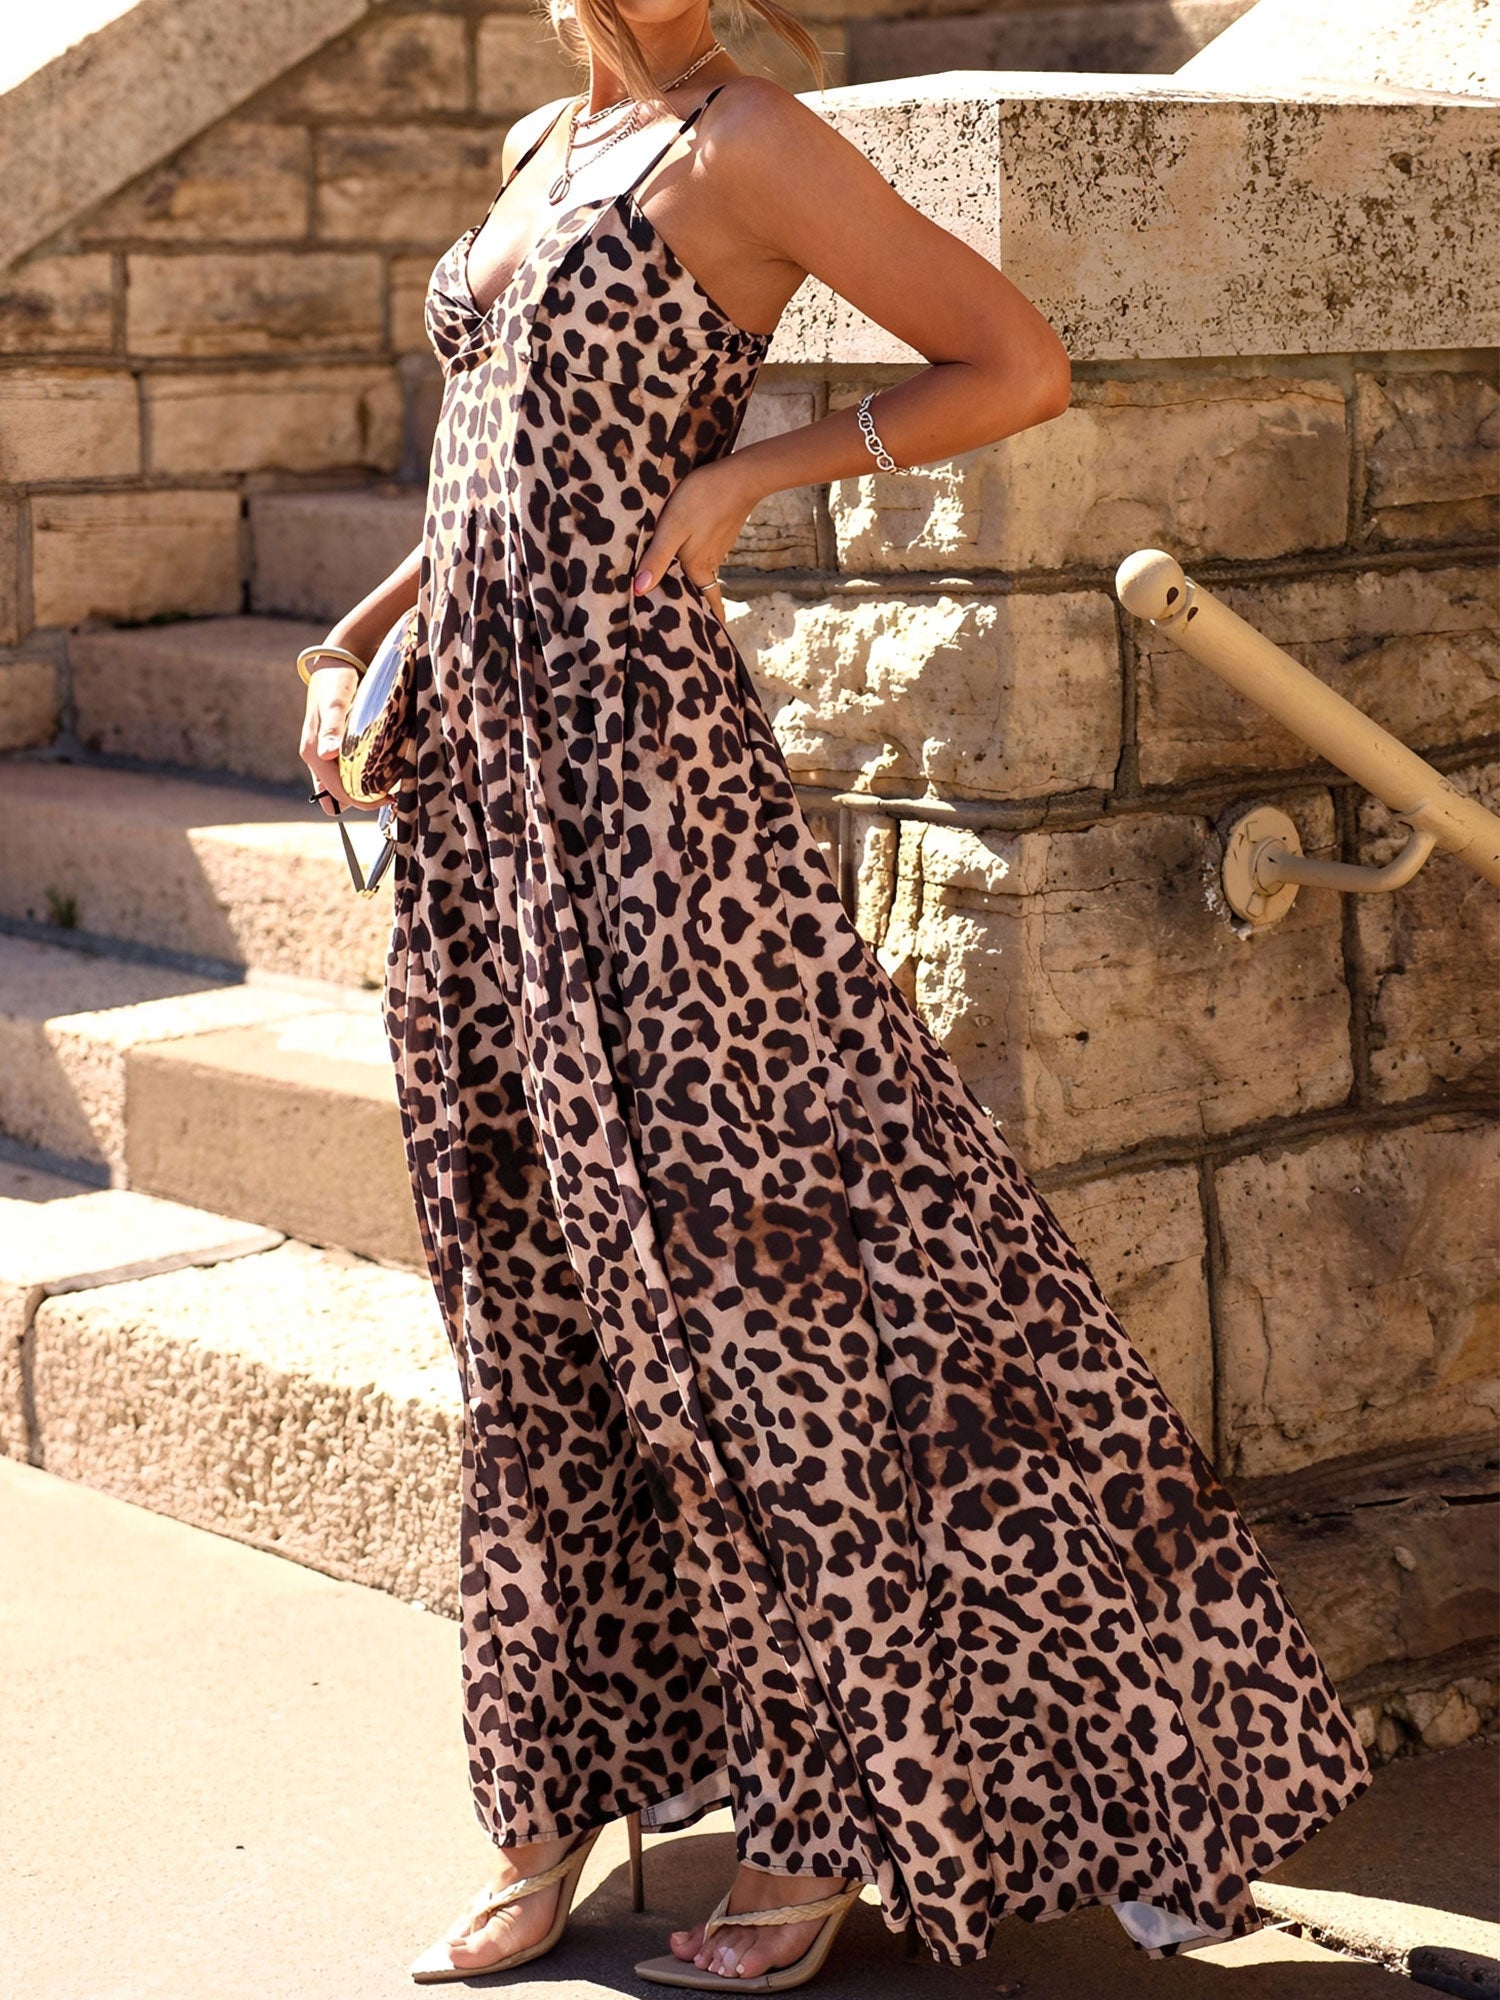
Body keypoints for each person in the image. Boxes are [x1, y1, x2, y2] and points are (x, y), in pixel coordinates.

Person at [297, 0, 1373, 1988]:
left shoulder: (751, 144)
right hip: (478, 801)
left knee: (752, 1291)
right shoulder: (543, 145)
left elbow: (1016, 364)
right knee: (522, 1286)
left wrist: (756, 479)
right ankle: (552, 1793)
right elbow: (496, 442)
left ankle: (823, 1823)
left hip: (649, 787)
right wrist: (373, 626)